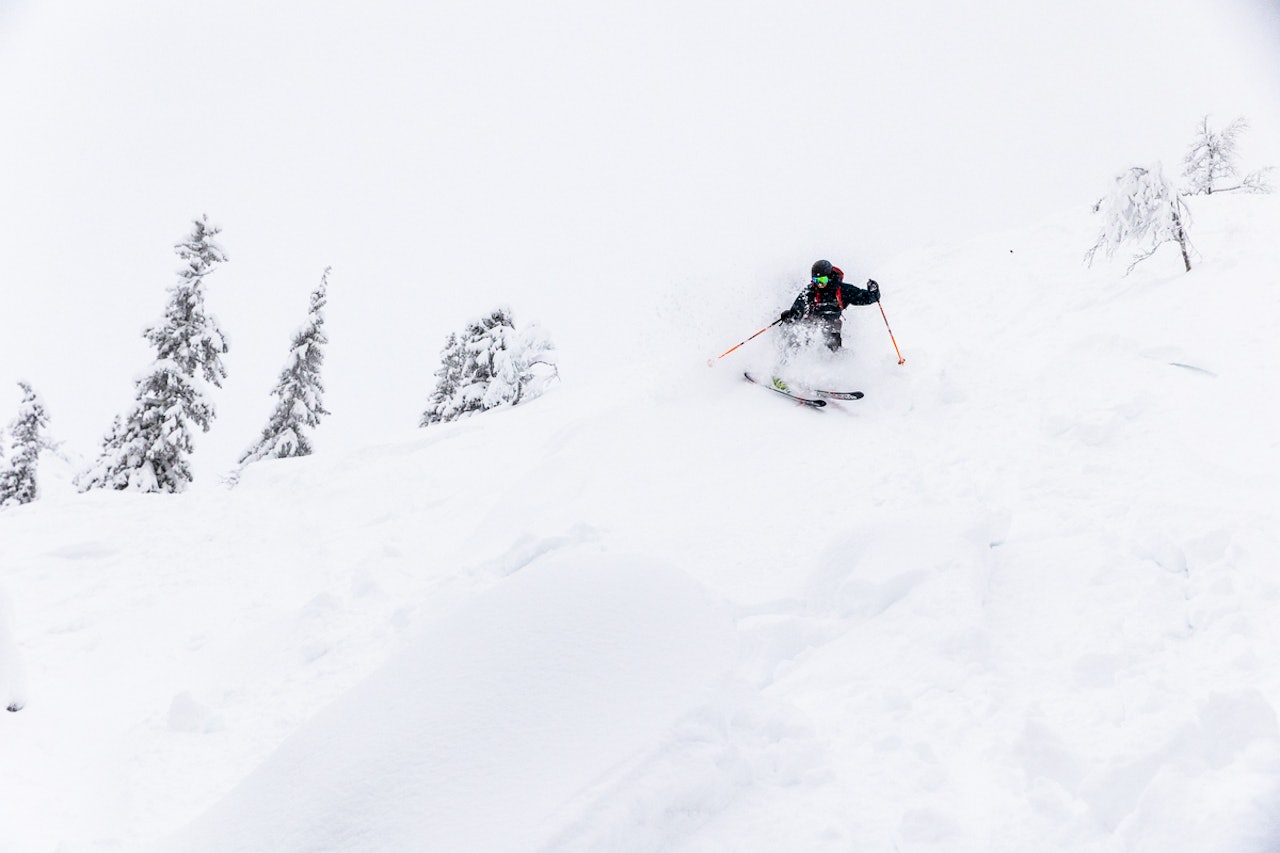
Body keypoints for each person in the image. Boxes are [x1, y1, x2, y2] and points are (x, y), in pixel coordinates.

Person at [779, 259, 881, 351]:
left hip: (832, 324)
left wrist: (874, 292)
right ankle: (796, 358)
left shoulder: (843, 290)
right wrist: (791, 315)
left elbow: (865, 298)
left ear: (829, 276)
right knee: (802, 334)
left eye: (822, 280)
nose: (819, 284)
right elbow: (799, 305)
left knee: (832, 334)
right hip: (813, 322)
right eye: (816, 280)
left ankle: (834, 358)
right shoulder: (811, 291)